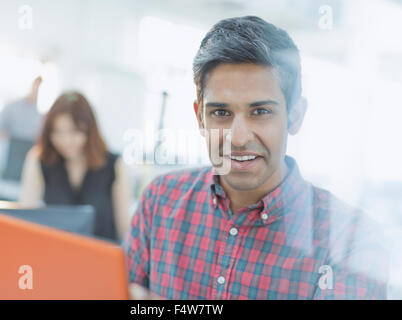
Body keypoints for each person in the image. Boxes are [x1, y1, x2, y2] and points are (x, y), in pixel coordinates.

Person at [124, 16, 389, 299]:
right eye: (221, 113)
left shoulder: (351, 240)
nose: (238, 138)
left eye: (260, 112)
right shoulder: (160, 201)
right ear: (200, 117)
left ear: (295, 116)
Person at [20, 91, 132, 242]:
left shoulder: (114, 165)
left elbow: (125, 229)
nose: (65, 140)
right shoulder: (40, 159)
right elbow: (25, 219)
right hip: (57, 256)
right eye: (57, 132)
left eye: (74, 131)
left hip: (101, 258)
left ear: (89, 130)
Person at [0, 76, 43, 141]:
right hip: (11, 146)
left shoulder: (39, 114)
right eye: (37, 87)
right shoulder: (12, 107)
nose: (37, 91)